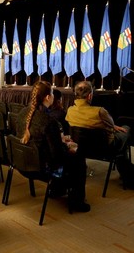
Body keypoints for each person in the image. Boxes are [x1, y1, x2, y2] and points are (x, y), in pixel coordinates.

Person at [16, 81, 89, 212]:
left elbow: (35, 138)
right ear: (48, 97)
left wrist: (59, 140)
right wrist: (68, 147)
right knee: (78, 157)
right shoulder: (49, 122)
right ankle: (77, 202)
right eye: (52, 93)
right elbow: (57, 157)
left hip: (23, 161)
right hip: (42, 168)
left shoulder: (22, 113)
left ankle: (56, 190)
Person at [65, 80, 133, 187]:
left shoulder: (70, 110)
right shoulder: (100, 111)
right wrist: (112, 127)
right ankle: (128, 176)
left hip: (81, 148)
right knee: (126, 130)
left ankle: (127, 174)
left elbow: (91, 124)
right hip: (105, 148)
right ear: (90, 95)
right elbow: (111, 124)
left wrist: (112, 126)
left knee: (121, 146)